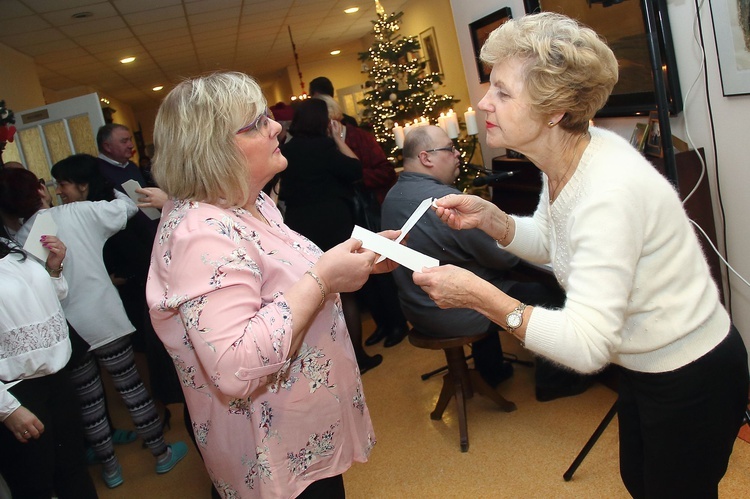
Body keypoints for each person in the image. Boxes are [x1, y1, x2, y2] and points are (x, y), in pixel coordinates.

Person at [418, 13, 748, 497]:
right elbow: (558, 244)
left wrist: (479, 297)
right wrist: (496, 220)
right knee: (639, 480)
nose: (484, 102)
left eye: (503, 92)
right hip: (644, 364)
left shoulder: (607, 190)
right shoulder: (570, 159)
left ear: (554, 110)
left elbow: (586, 345)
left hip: (690, 372)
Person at [146, 71, 398, 498]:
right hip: (269, 451)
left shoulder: (254, 202)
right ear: (213, 149)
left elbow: (280, 277)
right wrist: (323, 279)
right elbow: (233, 366)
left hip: (300, 429)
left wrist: (357, 259)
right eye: (257, 123)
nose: (277, 126)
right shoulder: (200, 234)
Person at [0, 165, 187, 489]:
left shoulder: (17, 243)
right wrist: (107, 186)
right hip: (104, 319)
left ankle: (111, 469)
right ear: (39, 191)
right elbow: (128, 206)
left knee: (89, 405)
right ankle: (161, 453)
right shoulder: (79, 212)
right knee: (132, 391)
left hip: (69, 333)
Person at [279, 98, 382, 373]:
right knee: (343, 292)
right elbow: (355, 169)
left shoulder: (287, 150)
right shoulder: (324, 147)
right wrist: (337, 139)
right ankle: (357, 357)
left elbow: (283, 192)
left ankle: (331, 357)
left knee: (316, 287)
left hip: (300, 225)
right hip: (332, 221)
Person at [0, 228, 98, 498]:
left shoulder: (8, 245)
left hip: (57, 378)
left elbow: (41, 303)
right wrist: (7, 409)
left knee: (74, 470)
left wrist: (53, 271)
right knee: (34, 485)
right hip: (17, 393)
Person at [315, 94, 409, 348]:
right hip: (348, 217)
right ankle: (382, 324)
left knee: (382, 272)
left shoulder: (359, 137)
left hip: (370, 211)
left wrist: (356, 179)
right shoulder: (322, 145)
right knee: (364, 277)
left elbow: (385, 171)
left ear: (334, 117)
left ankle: (398, 324)